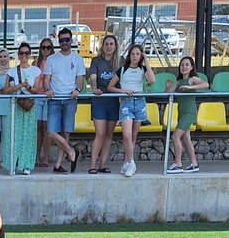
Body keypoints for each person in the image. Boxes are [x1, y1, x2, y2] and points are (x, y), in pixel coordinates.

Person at [39, 27, 85, 173]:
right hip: (55, 99)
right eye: (61, 40)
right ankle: (72, 152)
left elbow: (80, 79)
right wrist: (48, 90)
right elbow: (47, 79)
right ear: (58, 41)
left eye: (67, 39)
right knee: (52, 132)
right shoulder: (52, 59)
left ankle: (58, 164)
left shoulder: (77, 59)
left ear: (71, 40)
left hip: (70, 99)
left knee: (66, 133)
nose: (64, 42)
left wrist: (77, 90)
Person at [108, 44, 154, 177]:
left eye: (138, 54)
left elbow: (152, 80)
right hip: (126, 102)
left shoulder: (143, 69)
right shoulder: (122, 69)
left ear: (141, 56)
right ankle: (132, 162)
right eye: (133, 54)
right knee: (126, 135)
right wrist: (123, 91)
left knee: (133, 136)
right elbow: (111, 87)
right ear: (129, 55)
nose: (135, 56)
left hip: (139, 102)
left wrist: (146, 62)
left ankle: (126, 162)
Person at [2, 42, 40, 175]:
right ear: (18, 55)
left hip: (29, 105)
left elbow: (37, 89)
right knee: (13, 135)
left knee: (28, 136)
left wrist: (28, 87)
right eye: (21, 53)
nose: (24, 56)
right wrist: (19, 86)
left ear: (29, 55)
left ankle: (26, 164)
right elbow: (5, 90)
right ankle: (12, 163)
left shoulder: (35, 70)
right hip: (15, 105)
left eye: (26, 53)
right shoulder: (12, 71)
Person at [165, 56, 207, 173]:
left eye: (187, 65)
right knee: (186, 139)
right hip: (181, 113)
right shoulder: (178, 82)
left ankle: (178, 164)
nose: (184, 67)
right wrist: (167, 87)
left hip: (189, 112)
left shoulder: (192, 79)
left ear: (191, 67)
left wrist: (190, 87)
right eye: (182, 65)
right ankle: (194, 163)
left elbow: (206, 84)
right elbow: (167, 93)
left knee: (175, 137)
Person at [87, 34, 119, 175]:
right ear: (102, 46)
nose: (109, 46)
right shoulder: (96, 61)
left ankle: (103, 164)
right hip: (99, 101)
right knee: (99, 133)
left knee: (108, 135)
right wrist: (94, 88)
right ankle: (93, 164)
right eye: (106, 44)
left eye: (111, 44)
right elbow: (93, 77)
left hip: (114, 102)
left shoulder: (120, 62)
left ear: (115, 46)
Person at [34, 38, 54, 169]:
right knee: (37, 127)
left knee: (47, 128)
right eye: (43, 47)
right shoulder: (36, 63)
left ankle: (46, 157)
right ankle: (36, 157)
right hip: (37, 96)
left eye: (48, 47)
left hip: (49, 96)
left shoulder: (55, 61)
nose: (45, 50)